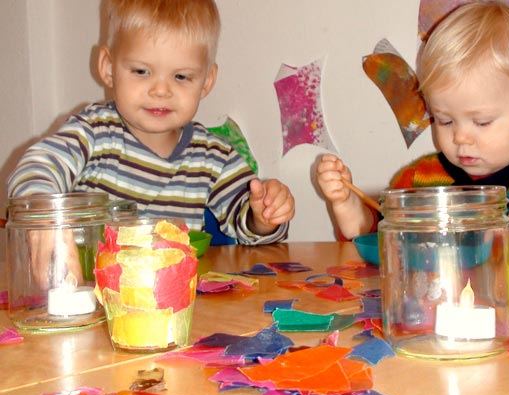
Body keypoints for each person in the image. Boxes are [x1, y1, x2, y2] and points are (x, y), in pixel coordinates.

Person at [7, 0, 295, 287]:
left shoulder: (213, 156)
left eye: (181, 76)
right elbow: (36, 168)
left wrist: (265, 215)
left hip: (170, 306)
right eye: (142, 71)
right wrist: (45, 221)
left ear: (206, 81)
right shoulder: (93, 131)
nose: (160, 90)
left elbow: (248, 227)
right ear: (108, 67)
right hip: (89, 301)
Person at [316, 1, 509, 249]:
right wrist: (348, 205)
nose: (461, 137)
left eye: (482, 122)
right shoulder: (422, 181)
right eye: (445, 120)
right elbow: (378, 241)